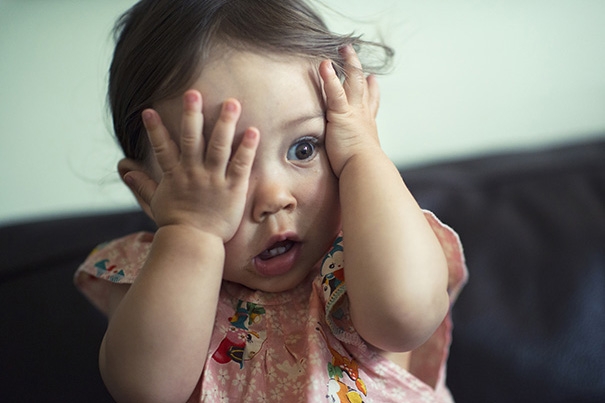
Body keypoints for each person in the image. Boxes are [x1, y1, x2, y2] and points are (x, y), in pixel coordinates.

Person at [74, 0, 467, 401]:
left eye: (304, 148)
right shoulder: (147, 276)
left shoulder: (363, 255)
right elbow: (147, 391)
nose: (274, 198)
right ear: (148, 192)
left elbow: (405, 316)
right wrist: (193, 233)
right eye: (222, 170)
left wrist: (362, 155)